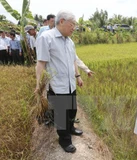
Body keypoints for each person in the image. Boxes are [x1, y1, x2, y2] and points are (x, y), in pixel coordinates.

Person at [35, 10, 86, 153]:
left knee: (72, 110)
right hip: (57, 86)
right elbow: (41, 63)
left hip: (70, 84)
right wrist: (38, 84)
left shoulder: (69, 41)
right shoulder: (46, 38)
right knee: (61, 115)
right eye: (72, 24)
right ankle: (64, 140)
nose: (74, 28)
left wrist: (78, 76)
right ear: (62, 21)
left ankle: (71, 128)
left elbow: (73, 61)